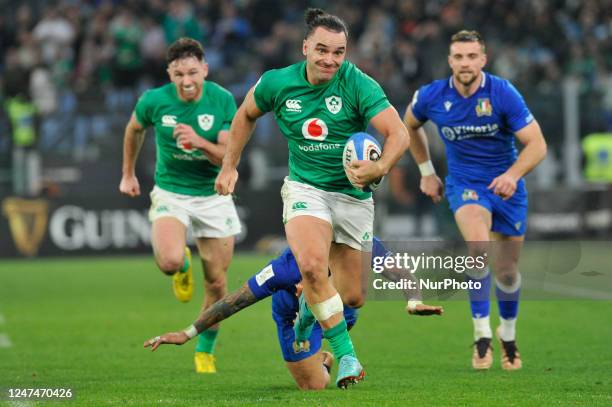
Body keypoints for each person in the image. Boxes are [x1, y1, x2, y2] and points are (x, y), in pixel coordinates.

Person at [214, 8, 408, 388]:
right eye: (322, 50)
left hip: (352, 196)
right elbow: (245, 115)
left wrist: (380, 167)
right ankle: (348, 356)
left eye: (338, 52)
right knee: (314, 267)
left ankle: (307, 311)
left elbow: (398, 133)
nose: (330, 60)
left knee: (352, 297)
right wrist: (229, 166)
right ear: (305, 47)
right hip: (305, 190)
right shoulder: (276, 83)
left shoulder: (358, 84)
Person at [403, 30, 547, 371]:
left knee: (508, 272)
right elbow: (408, 125)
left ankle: (507, 334)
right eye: (458, 57)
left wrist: (512, 175)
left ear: (483, 59)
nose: (464, 63)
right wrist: (426, 171)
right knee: (479, 247)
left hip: (506, 187)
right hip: (465, 186)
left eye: (471, 57)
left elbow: (537, 144)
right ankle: (481, 335)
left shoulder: (502, 93)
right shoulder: (432, 96)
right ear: (450, 60)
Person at [144, 237, 443, 390]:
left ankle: (337, 349)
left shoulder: (355, 243)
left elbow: (401, 272)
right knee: (313, 387)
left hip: (340, 312)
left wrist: (414, 301)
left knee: (347, 297)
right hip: (292, 319)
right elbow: (233, 302)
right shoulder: (283, 268)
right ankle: (324, 358)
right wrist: (188, 333)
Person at [119, 37, 241, 374]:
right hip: (172, 192)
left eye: (191, 72)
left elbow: (228, 157)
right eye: (178, 74)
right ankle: (183, 267)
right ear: (169, 74)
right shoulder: (153, 101)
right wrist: (128, 174)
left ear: (204, 69)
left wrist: (199, 142)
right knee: (170, 261)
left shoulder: (223, 100)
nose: (186, 81)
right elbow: (133, 130)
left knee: (217, 283)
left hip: (213, 194)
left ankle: (205, 349)